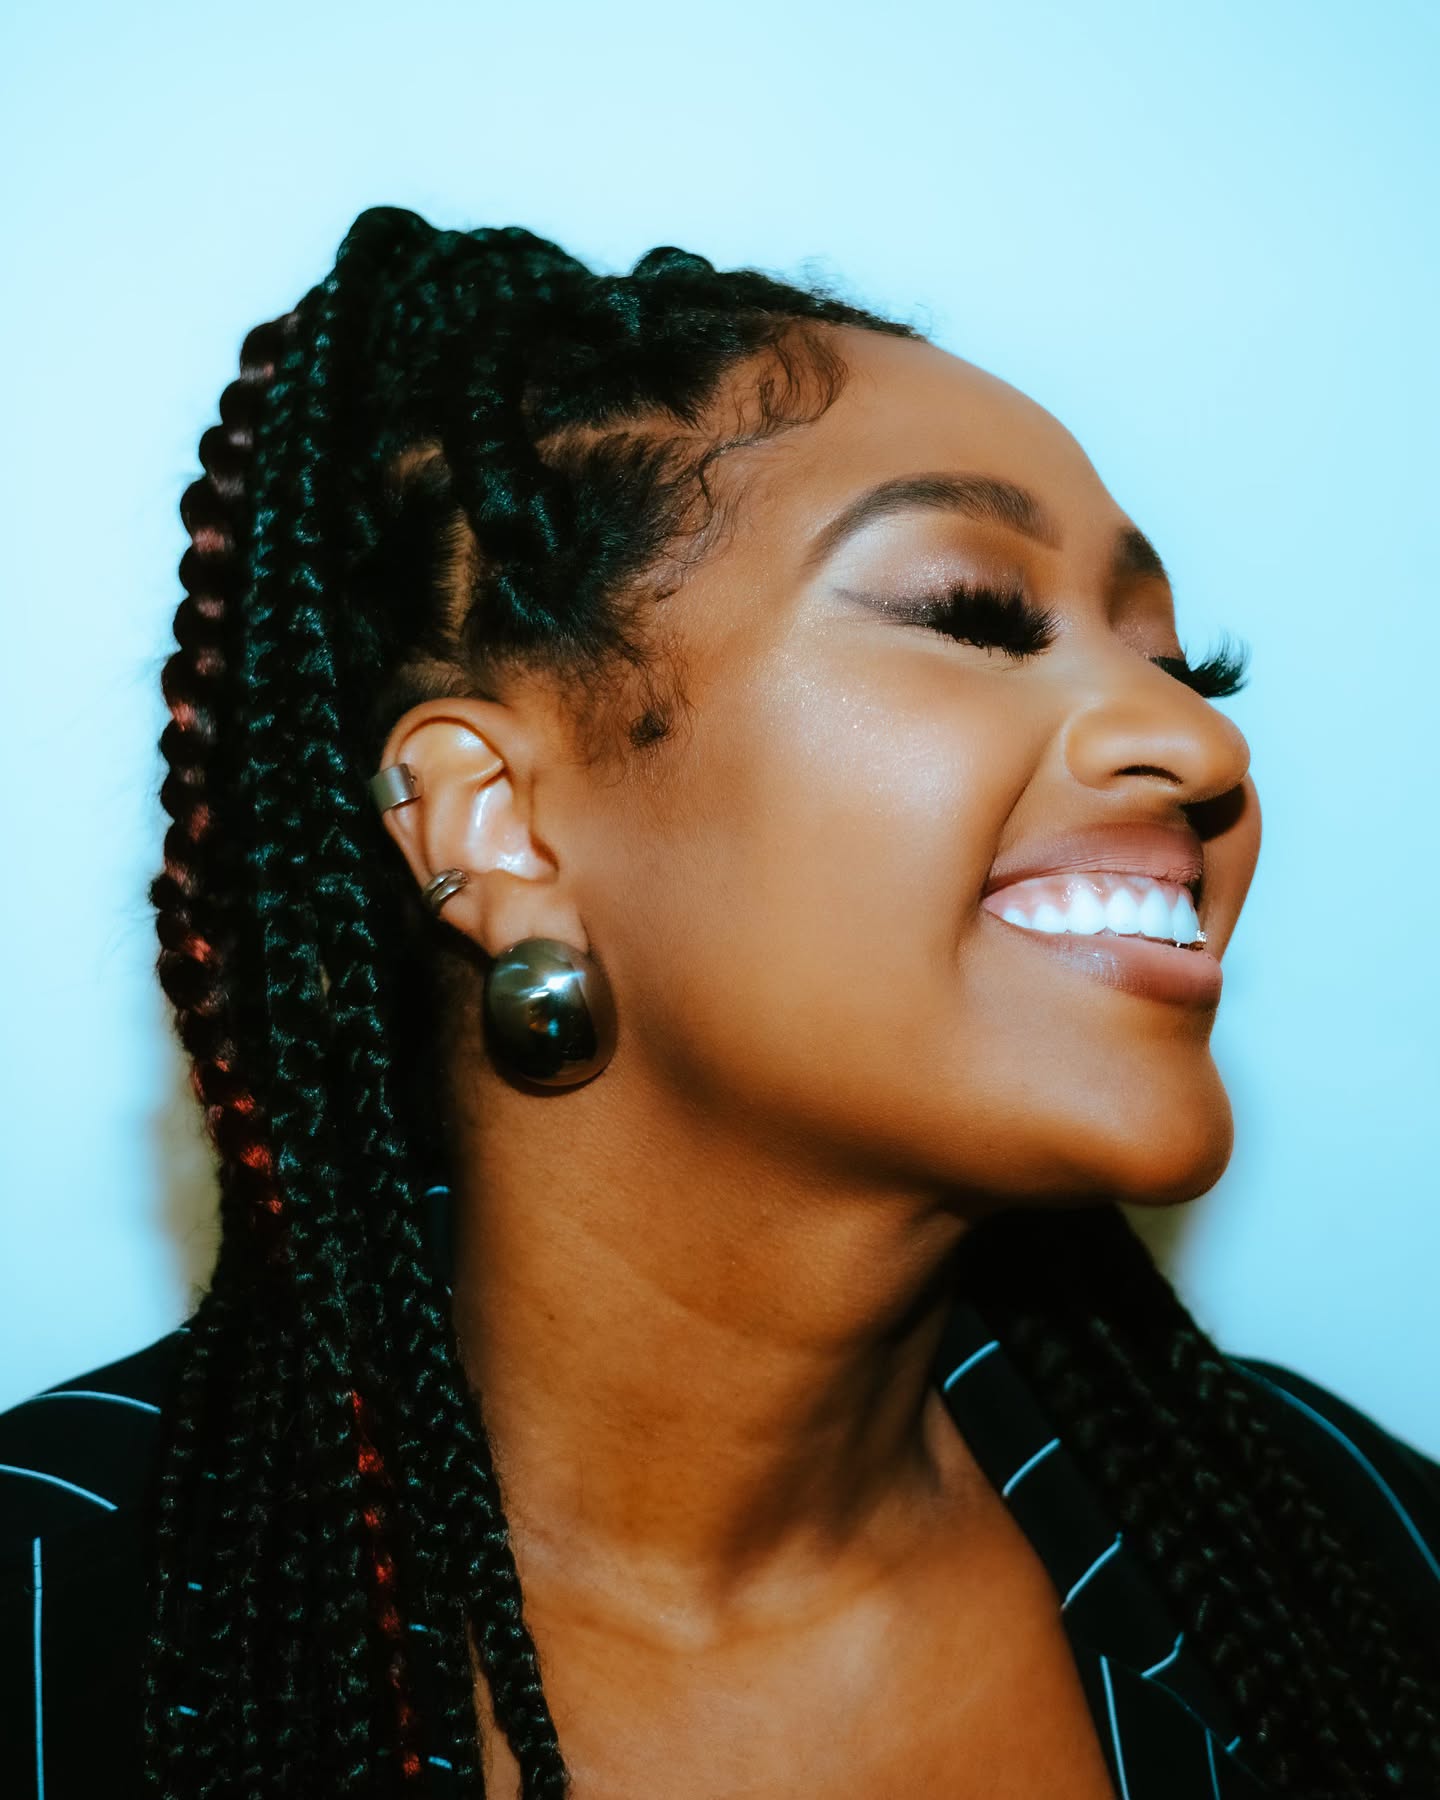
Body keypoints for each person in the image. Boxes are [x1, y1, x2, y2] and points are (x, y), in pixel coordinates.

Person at [1, 207, 1437, 1800]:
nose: (1202, 744)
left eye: (1185, 665)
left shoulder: (1356, 1560)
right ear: (498, 824)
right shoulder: (56, 1620)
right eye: (973, 614)